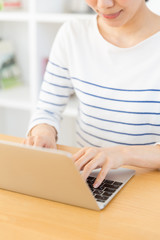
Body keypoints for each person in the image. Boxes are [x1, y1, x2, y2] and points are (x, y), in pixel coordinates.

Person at [25, 0, 160, 188]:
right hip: (89, 178)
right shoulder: (73, 34)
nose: (103, 4)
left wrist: (121, 154)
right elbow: (47, 109)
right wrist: (43, 131)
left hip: (149, 185)